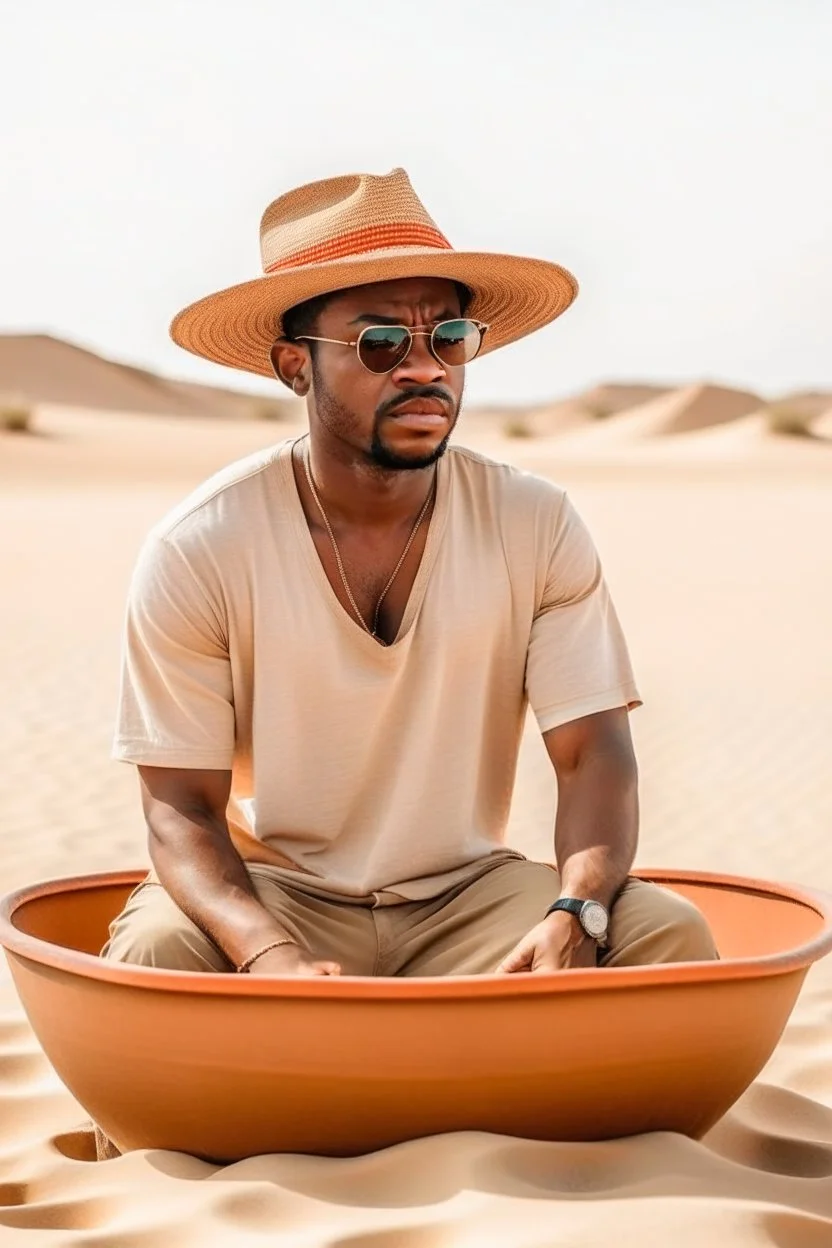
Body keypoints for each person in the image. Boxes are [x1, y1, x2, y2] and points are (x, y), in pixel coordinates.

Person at [102, 167, 718, 979]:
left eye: (450, 338)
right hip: (277, 892)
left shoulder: (533, 521)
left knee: (666, 938)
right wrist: (269, 955)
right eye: (381, 342)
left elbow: (592, 752)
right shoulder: (201, 546)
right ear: (295, 366)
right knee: (153, 956)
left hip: (469, 896)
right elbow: (180, 806)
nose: (424, 368)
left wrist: (580, 907)